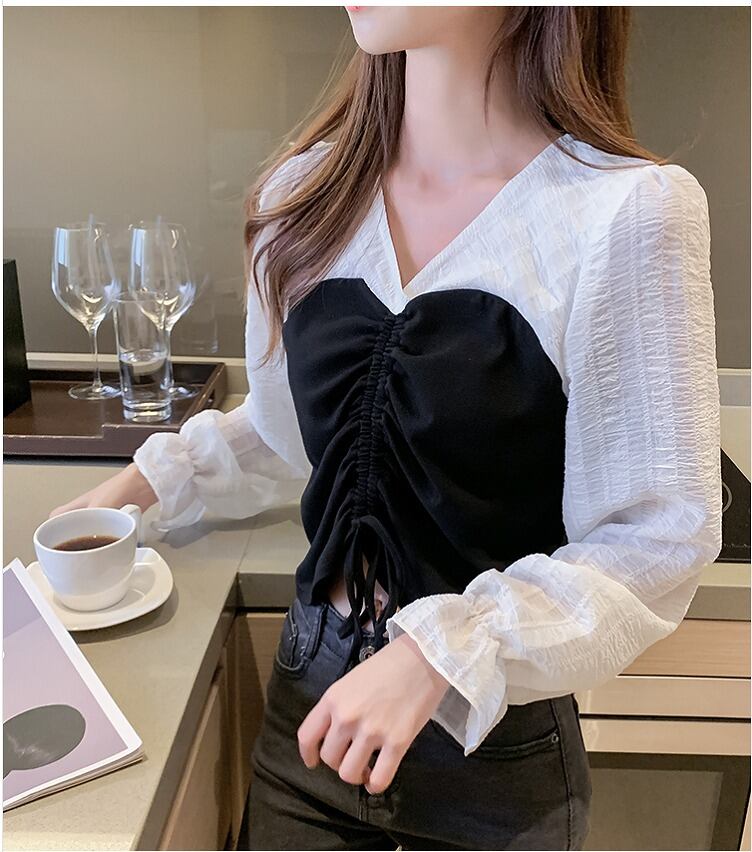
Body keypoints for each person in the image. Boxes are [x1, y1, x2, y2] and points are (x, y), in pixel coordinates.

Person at [51, 7, 722, 851]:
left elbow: (660, 535)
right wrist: (141, 486)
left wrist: (440, 651)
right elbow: (291, 430)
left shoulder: (624, 212)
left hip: (490, 761)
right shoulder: (301, 196)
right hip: (307, 725)